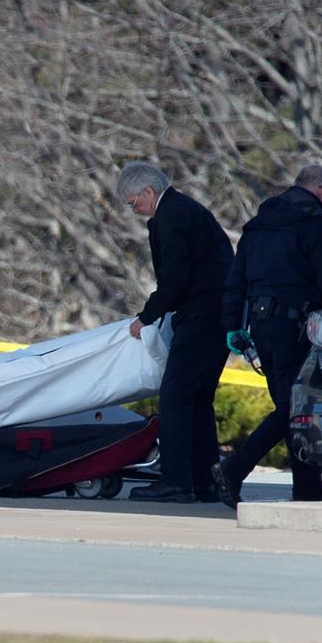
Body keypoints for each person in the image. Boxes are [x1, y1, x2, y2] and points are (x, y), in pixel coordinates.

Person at [212, 164, 322, 508]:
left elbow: (236, 280)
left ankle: (307, 487)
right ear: (321, 190)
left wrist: (233, 325)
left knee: (289, 406)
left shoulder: (258, 224)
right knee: (295, 407)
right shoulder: (317, 225)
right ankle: (234, 468)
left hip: (261, 326)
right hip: (297, 328)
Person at [116, 161, 235, 503]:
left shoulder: (168, 217)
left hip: (201, 314)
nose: (134, 209)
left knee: (175, 396)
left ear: (150, 192)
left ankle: (176, 481)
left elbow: (175, 278)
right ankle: (206, 480)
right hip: (218, 313)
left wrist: (147, 317)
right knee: (197, 399)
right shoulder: (189, 210)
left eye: (134, 201)